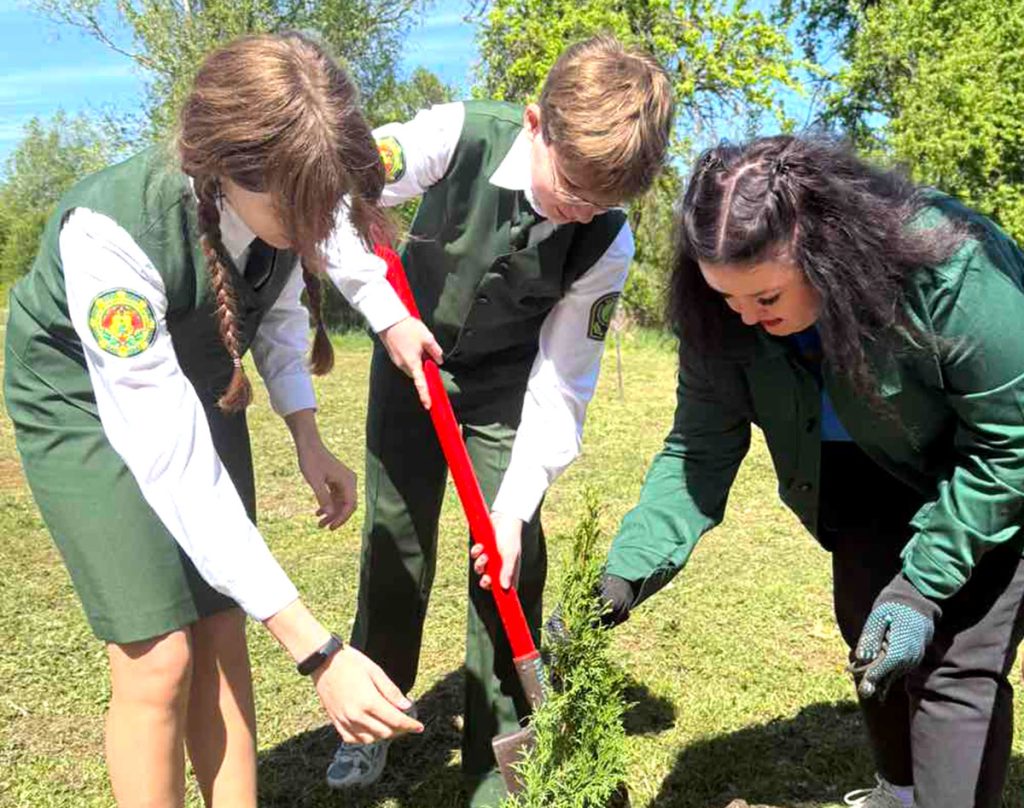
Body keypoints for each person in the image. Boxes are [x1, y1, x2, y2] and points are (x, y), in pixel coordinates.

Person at [3, 31, 421, 808]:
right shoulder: (111, 234)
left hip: (197, 379)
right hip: (83, 401)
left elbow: (280, 314)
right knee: (159, 656)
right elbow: (173, 462)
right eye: (298, 207)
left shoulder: (286, 200)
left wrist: (305, 431)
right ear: (222, 168)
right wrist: (321, 654)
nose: (315, 223)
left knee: (223, 627)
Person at [595, 135, 1024, 807]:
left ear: (822, 250)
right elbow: (697, 451)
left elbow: (1012, 443)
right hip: (855, 469)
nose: (747, 318)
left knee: (951, 665)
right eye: (727, 298)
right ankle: (900, 792)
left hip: (979, 470)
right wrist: (626, 570)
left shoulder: (951, 265)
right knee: (871, 634)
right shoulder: (722, 311)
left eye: (765, 298)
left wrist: (922, 585)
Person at [322, 34, 674, 806]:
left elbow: (562, 383)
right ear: (534, 122)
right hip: (407, 356)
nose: (577, 209)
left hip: (507, 392)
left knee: (508, 562)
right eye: (570, 186)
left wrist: (512, 510)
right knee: (396, 539)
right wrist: (386, 317)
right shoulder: (455, 134)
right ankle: (375, 714)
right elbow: (332, 200)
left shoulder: (607, 242)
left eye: (598, 201)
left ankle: (495, 761)